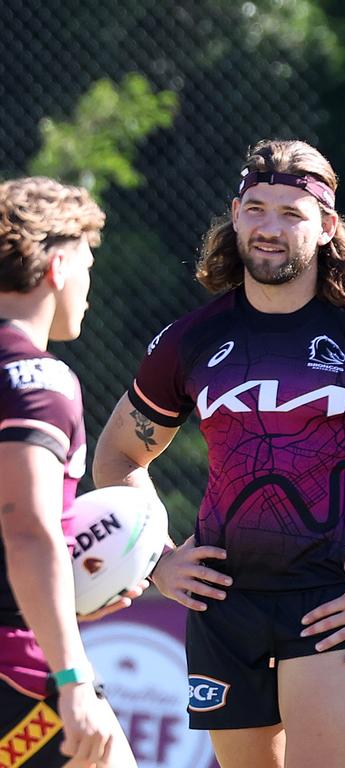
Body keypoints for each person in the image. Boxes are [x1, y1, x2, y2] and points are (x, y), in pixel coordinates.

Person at [92, 139, 345, 768]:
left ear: (327, 226)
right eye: (256, 209)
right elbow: (117, 458)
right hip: (222, 603)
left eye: (291, 214)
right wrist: (159, 563)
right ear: (235, 213)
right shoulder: (191, 340)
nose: (269, 229)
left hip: (332, 601)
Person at [0, 177, 141, 767]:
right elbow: (27, 527)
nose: (89, 285)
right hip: (16, 666)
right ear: (57, 266)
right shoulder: (37, 379)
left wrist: (68, 598)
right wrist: (72, 676)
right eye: (86, 263)